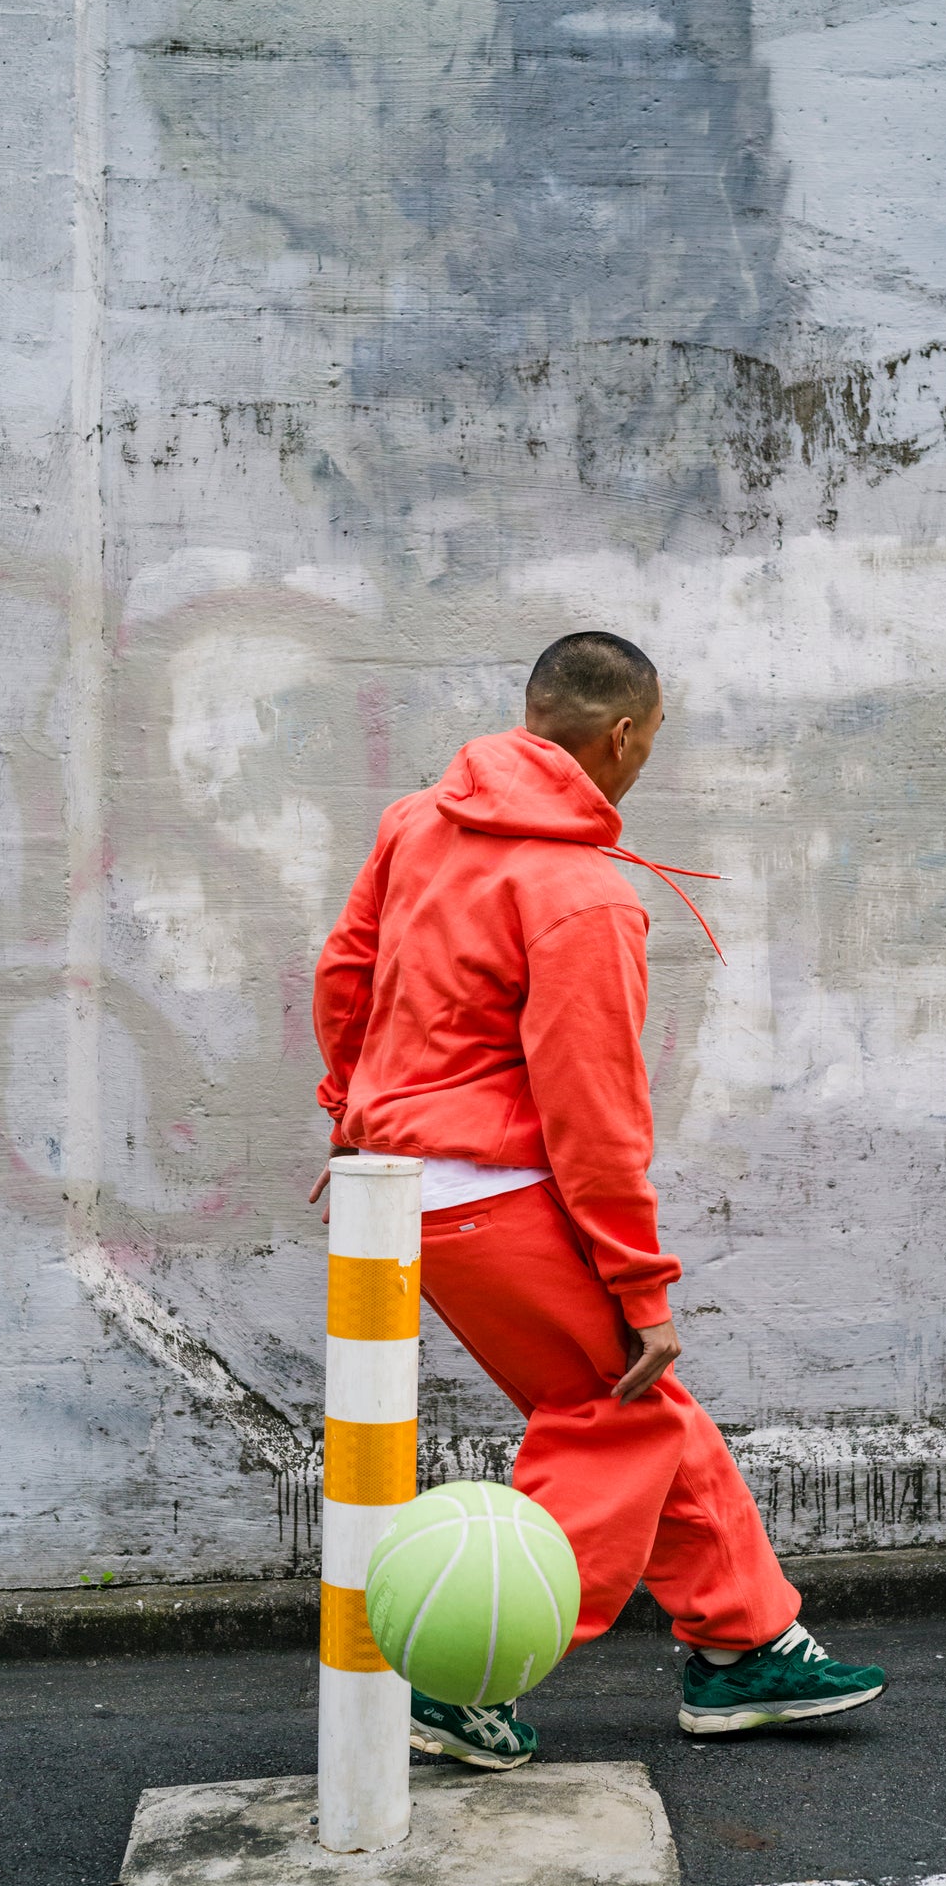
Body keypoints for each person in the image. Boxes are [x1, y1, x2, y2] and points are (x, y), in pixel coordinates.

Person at [311, 632, 886, 1769]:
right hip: (501, 1196)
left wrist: (355, 1114)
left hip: (404, 1187)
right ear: (620, 736)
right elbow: (596, 1119)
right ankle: (465, 1672)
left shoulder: (413, 822)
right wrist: (638, 1283)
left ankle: (746, 1645)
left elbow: (344, 974)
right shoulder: (581, 895)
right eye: (653, 739)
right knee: (609, 1411)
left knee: (647, 1409)